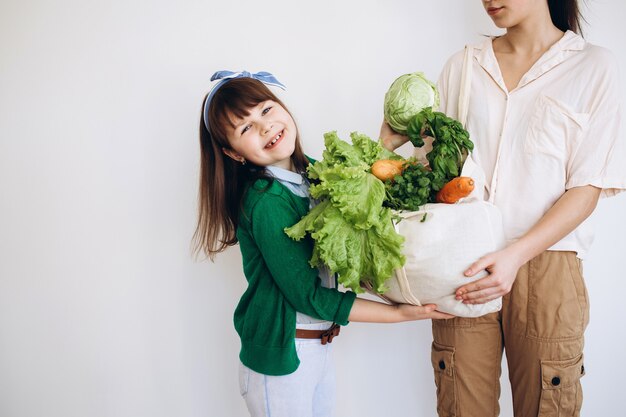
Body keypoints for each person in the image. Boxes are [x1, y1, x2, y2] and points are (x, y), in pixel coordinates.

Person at [380, 1, 625, 416]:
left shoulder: (595, 67)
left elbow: (587, 187)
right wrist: (385, 148)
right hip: (460, 262)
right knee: (461, 405)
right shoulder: (462, 66)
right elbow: (434, 171)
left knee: (548, 406)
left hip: (548, 266)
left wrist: (515, 255)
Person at [193, 71, 452, 417]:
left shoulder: (312, 174)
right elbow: (308, 297)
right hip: (283, 358)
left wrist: (386, 144)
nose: (265, 127)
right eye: (245, 128)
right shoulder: (266, 200)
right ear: (233, 154)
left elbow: (356, 184)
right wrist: (399, 314)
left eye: (266, 110)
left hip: (317, 346)